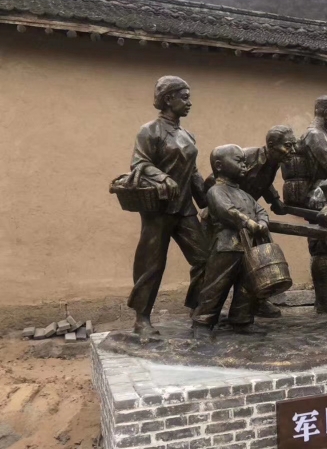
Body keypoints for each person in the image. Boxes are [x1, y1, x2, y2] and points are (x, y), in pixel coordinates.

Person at [127, 76, 209, 336]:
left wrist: (208, 202)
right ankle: (142, 318)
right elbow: (139, 164)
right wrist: (162, 177)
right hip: (158, 210)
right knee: (151, 265)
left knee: (205, 258)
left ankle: (197, 308)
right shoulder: (149, 131)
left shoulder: (187, 135)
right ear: (168, 99)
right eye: (184, 97)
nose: (189, 102)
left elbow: (193, 173)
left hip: (185, 208)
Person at [201, 126, 296, 319]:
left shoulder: (273, 162)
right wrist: (218, 202)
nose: (292, 150)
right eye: (288, 145)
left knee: (250, 271)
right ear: (271, 145)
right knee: (216, 276)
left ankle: (245, 313)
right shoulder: (247, 158)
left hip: (247, 220)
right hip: (226, 225)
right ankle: (202, 313)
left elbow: (264, 183)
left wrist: (273, 203)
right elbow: (213, 183)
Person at [192, 145, 270, 337]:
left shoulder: (244, 194)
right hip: (226, 246)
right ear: (219, 165)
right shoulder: (216, 191)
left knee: (247, 284)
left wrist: (262, 222)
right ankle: (203, 322)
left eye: (245, 161)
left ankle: (242, 319)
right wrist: (249, 223)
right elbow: (227, 211)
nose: (244, 165)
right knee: (217, 284)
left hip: (248, 247)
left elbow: (260, 210)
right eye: (238, 161)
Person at [281, 96, 327, 314]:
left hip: (320, 194)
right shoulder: (315, 135)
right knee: (322, 248)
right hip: (318, 197)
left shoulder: (319, 134)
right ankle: (324, 301)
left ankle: (323, 300)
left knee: (322, 247)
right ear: (325, 112)